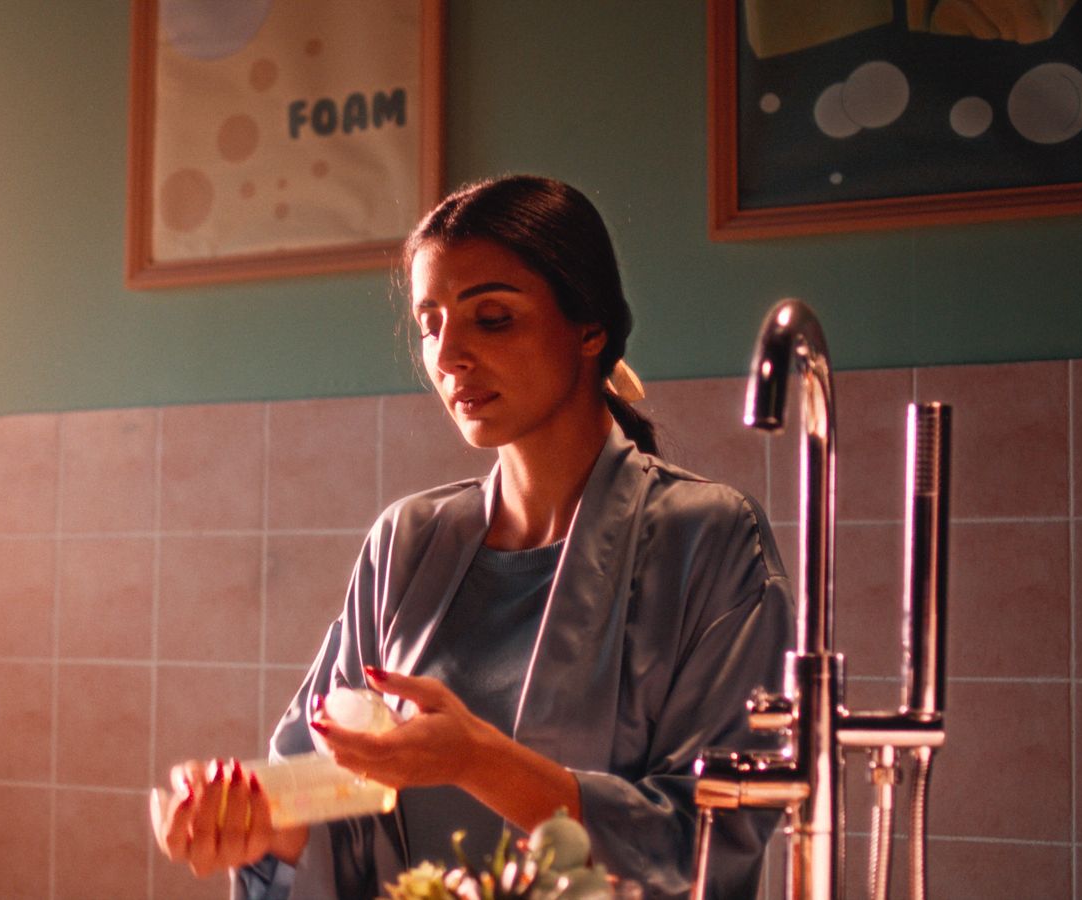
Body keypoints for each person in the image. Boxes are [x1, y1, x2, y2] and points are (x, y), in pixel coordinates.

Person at [156, 175, 792, 899]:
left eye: (492, 318)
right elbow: (330, 797)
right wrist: (253, 821)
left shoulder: (706, 540)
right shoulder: (408, 544)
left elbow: (711, 846)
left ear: (591, 328)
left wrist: (479, 761)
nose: (449, 353)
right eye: (430, 323)